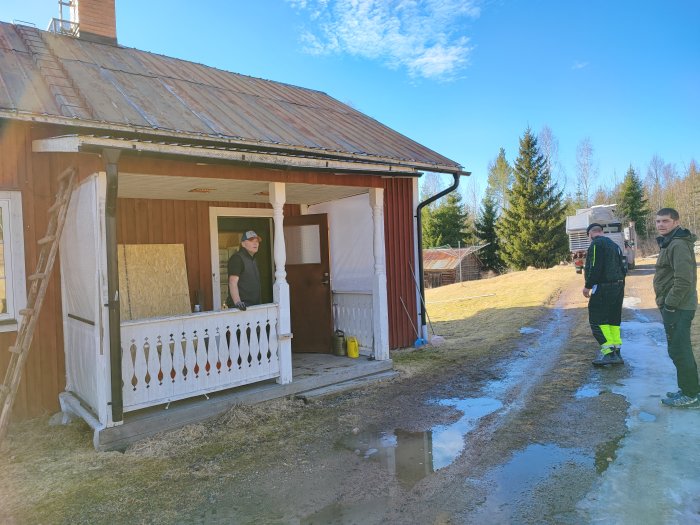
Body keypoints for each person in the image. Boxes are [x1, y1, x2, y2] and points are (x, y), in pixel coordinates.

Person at [654, 208, 699, 408]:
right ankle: (688, 389)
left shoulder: (678, 244)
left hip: (678, 307)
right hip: (677, 306)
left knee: (680, 350)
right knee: (678, 349)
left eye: (665, 221)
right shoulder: (670, 242)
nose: (661, 225)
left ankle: (691, 395)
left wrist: (669, 304)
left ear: (676, 222)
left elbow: (683, 280)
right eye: (657, 222)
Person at [582, 223, 626, 366]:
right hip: (618, 286)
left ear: (590, 234)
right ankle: (616, 351)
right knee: (613, 320)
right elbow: (623, 267)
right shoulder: (614, 245)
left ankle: (609, 353)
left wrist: (587, 286)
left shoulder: (596, 245)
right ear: (602, 232)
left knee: (596, 320)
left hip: (603, 287)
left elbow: (595, 266)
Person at [226, 230, 262, 311]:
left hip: (254, 307)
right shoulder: (237, 258)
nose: (255, 243)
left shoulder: (253, 259)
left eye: (257, 241)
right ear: (243, 244)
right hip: (241, 309)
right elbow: (232, 282)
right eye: (251, 241)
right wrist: (238, 302)